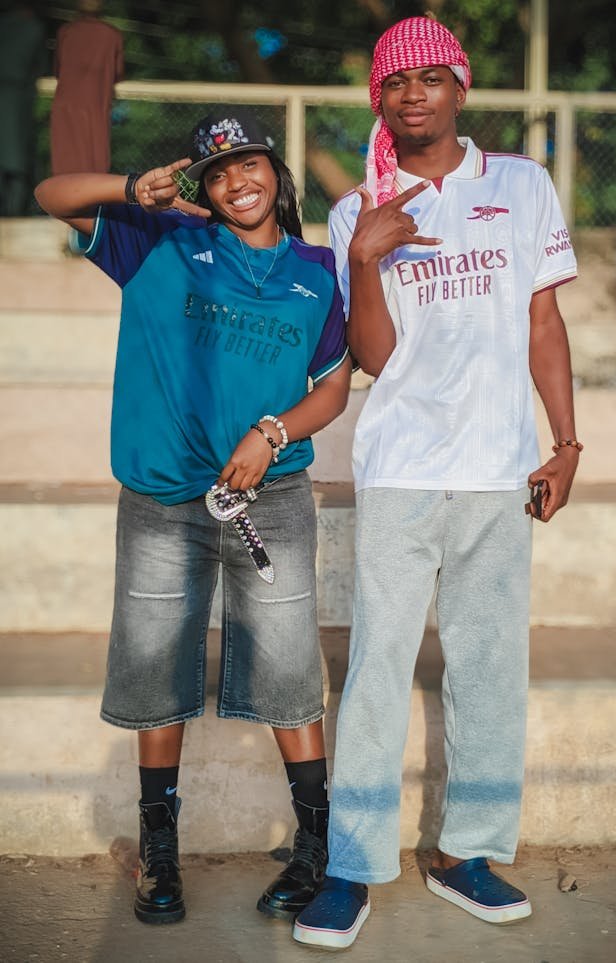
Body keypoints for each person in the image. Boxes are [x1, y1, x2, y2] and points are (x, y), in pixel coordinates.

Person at [293, 16, 581, 949]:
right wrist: (369, 257)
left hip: (499, 469)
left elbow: (542, 323)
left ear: (460, 88)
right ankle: (352, 865)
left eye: (430, 76)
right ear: (380, 99)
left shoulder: (521, 185)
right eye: (395, 82)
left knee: (492, 663)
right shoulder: (356, 210)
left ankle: (469, 852)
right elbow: (374, 356)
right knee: (377, 663)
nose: (412, 93)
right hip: (403, 470)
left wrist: (566, 441)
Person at [35, 105, 351, 926]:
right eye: (216, 171)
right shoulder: (159, 242)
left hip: (271, 498)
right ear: (201, 188)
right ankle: (159, 853)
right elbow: (50, 192)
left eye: (250, 164)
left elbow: (331, 387)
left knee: (288, 671)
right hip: (162, 501)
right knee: (153, 671)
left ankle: (315, 848)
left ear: (277, 176)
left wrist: (272, 429)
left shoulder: (316, 270)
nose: (236, 180)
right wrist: (126, 188)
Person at [50, 0, 123, 176]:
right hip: (96, 106)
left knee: (65, 165)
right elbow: (118, 73)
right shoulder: (112, 35)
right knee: (95, 164)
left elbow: (57, 70)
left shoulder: (66, 32)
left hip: (66, 106)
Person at [0, 2, 46, 216]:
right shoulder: (33, 29)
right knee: (17, 161)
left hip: (14, 101)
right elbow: (41, 67)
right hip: (18, 102)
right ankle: (14, 212)